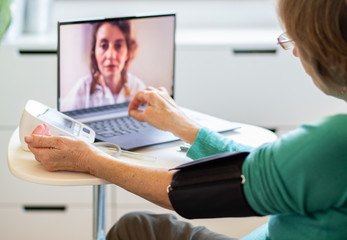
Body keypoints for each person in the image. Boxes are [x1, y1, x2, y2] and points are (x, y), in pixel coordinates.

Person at [25, 0, 347, 239]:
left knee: (133, 230)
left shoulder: (334, 143)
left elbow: (184, 191)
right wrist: (184, 126)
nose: (294, 51)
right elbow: (256, 169)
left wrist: (90, 159)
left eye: (296, 40)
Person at [61, 20, 146, 111]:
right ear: (94, 51)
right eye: (104, 46)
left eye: (118, 46)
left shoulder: (137, 88)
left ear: (128, 53)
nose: (110, 55)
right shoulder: (83, 89)